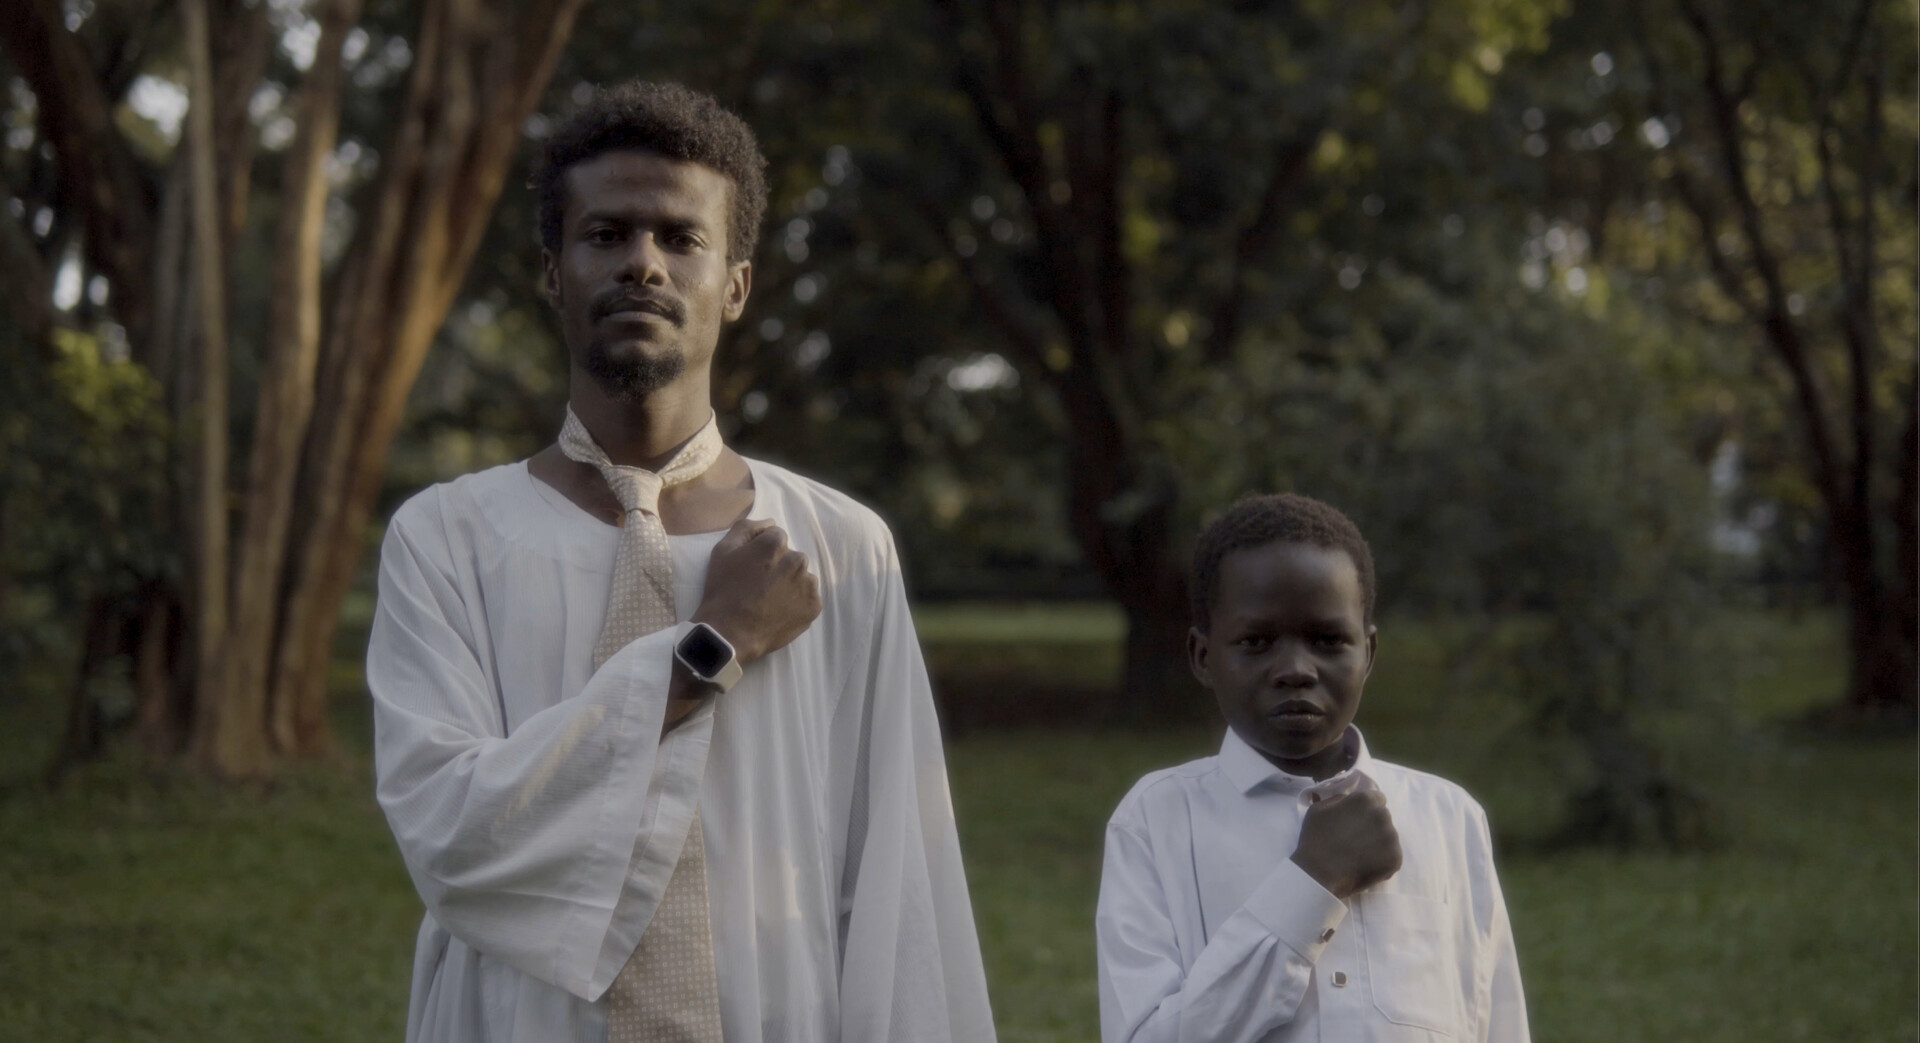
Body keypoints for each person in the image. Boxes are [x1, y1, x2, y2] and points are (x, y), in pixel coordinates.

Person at [367, 81, 995, 1043]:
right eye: (607, 234)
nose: (643, 263)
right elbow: (450, 829)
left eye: (680, 238)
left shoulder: (840, 547)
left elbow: (896, 873)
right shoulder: (446, 537)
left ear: (734, 286)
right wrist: (713, 645)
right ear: (553, 273)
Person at [1095, 493, 1528, 1043]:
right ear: (1203, 657)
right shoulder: (1156, 820)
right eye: (1256, 642)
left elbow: (1495, 1021)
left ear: (1368, 653)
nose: (1296, 669)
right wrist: (1313, 883)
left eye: (1327, 640)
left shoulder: (1449, 818)